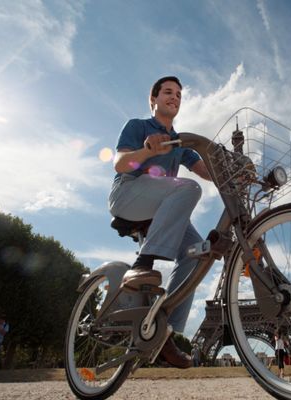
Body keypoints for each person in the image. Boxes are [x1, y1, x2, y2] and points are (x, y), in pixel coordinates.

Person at [108, 76, 211, 369]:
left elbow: (204, 169)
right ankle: (144, 263)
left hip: (160, 210)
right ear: (153, 99)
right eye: (168, 92)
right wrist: (149, 150)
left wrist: (236, 171)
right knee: (187, 187)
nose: (175, 97)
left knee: (197, 251)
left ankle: (163, 330)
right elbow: (120, 164)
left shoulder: (181, 143)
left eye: (179, 94)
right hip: (128, 194)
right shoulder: (138, 126)